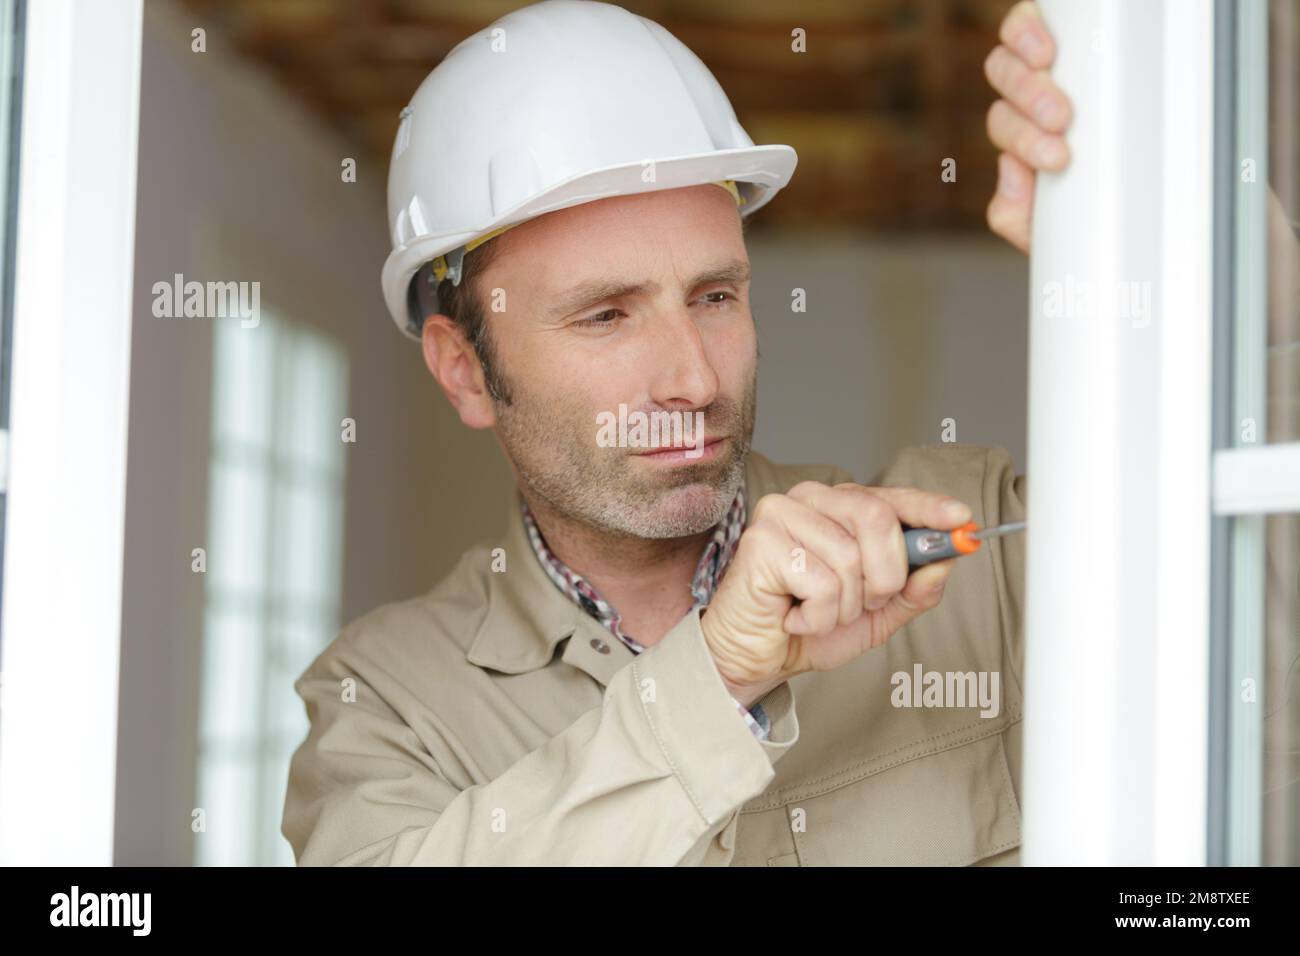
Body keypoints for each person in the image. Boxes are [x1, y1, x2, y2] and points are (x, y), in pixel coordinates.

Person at [281, 0, 1031, 866]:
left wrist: (1122, 259)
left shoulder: (973, 562)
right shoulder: (387, 704)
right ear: (466, 370)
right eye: (605, 315)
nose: (696, 381)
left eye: (715, 296)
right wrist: (716, 679)